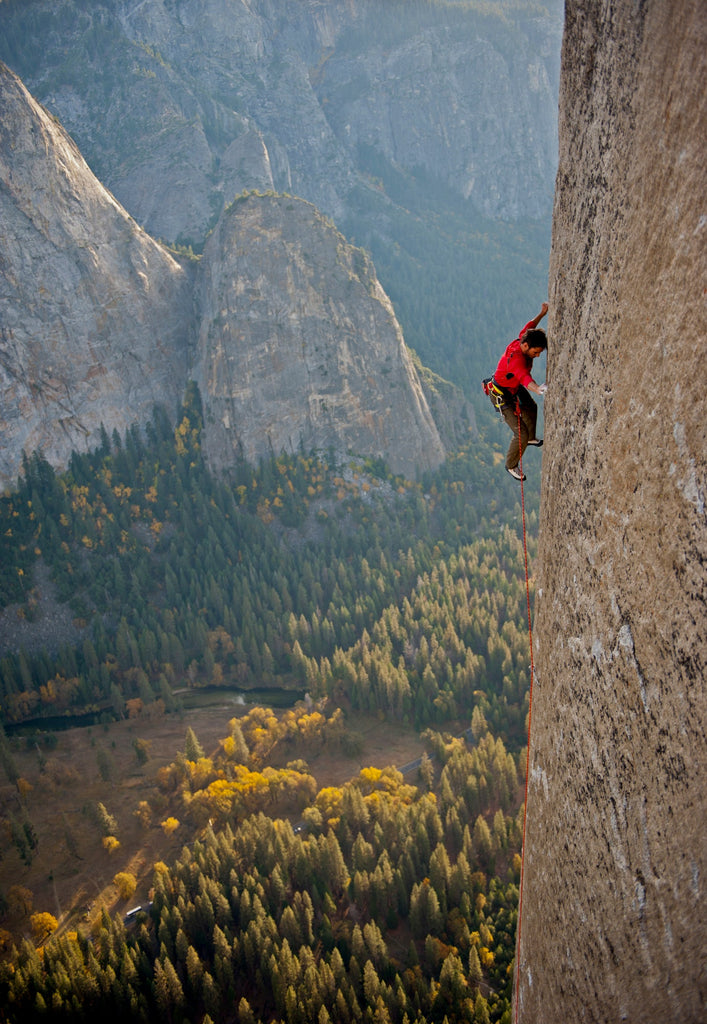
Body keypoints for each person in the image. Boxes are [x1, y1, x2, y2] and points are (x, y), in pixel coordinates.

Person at [484, 303, 548, 481]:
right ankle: (511, 465)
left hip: (511, 385)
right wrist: (538, 389)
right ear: (526, 347)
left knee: (530, 406)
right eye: (536, 352)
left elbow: (529, 328)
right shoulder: (517, 360)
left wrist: (541, 314)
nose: (537, 356)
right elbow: (524, 378)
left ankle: (531, 438)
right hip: (500, 394)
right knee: (520, 432)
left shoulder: (523, 340)